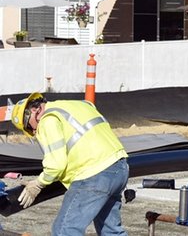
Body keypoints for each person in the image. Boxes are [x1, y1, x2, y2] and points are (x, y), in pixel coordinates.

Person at [10, 92, 129, 235]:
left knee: (65, 230)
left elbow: (56, 163)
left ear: (34, 111)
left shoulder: (48, 120)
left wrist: (38, 184)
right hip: (119, 168)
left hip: (92, 174)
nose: (34, 131)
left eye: (29, 127)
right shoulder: (76, 105)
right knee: (110, 231)